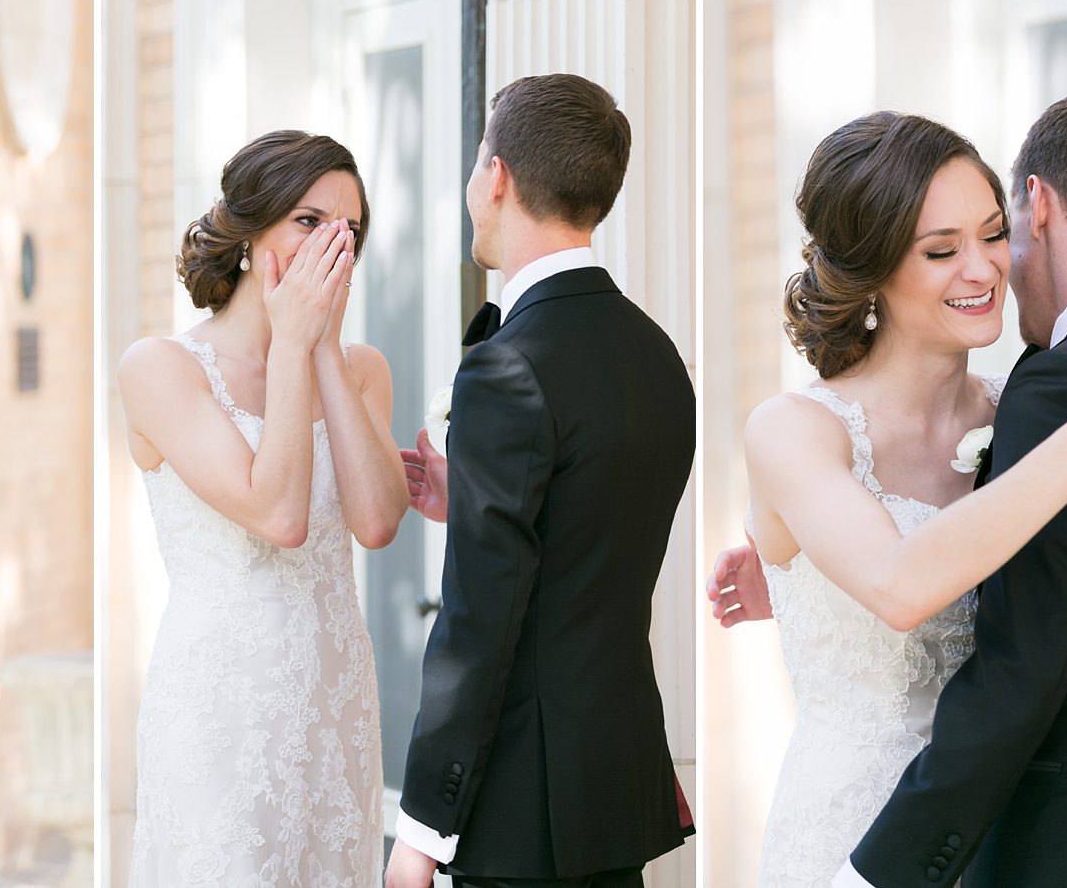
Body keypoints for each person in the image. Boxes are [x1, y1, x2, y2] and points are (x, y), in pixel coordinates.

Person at [707, 95, 1067, 888]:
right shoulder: (795, 428)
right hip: (858, 833)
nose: (982, 268)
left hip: (1012, 838)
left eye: (992, 233)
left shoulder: (1018, 402)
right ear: (875, 266)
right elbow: (897, 582)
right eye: (941, 249)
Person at [385, 73, 696, 888]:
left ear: (497, 176)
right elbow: (593, 540)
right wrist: (475, 497)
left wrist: (420, 830)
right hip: (610, 793)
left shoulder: (508, 368)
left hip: (523, 809)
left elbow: (478, 622)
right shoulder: (658, 357)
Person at [117, 129, 408, 885]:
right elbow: (278, 514)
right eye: (309, 222)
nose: (332, 246)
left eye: (350, 231)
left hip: (335, 702)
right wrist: (291, 345)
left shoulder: (363, 370)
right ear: (250, 234)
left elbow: (377, 522)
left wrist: (323, 352)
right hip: (220, 710)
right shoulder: (162, 367)